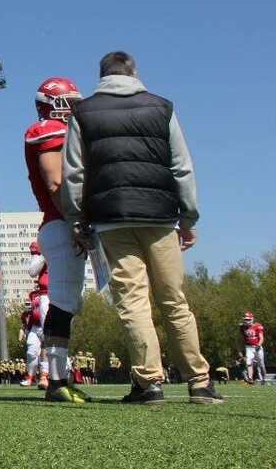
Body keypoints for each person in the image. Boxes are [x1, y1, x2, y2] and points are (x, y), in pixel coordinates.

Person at [61, 50, 222, 405]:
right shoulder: (162, 107)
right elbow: (181, 167)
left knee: (132, 301)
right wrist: (189, 218)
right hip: (161, 217)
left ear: (102, 75)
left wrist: (75, 218)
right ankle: (200, 382)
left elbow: (74, 173)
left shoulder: (82, 112)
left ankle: (149, 384)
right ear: (134, 72)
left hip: (111, 218)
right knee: (174, 301)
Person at [24, 77, 91, 403]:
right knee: (63, 301)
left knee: (69, 301)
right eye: (68, 101)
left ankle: (58, 377)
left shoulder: (64, 131)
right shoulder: (46, 129)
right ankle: (56, 380)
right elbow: (54, 182)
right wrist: (76, 221)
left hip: (64, 222)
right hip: (61, 222)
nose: (75, 107)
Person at [240, 311, 265, 384]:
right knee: (248, 363)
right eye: (245, 319)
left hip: (257, 346)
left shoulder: (257, 326)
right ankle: (250, 378)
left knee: (261, 365)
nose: (247, 321)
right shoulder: (242, 327)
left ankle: (263, 379)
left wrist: (259, 345)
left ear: (252, 319)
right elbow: (242, 338)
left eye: (248, 319)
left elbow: (261, 337)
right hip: (249, 347)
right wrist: (242, 349)